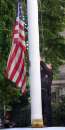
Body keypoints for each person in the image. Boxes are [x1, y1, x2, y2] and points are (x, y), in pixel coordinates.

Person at [40, 59, 53, 126]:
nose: (47, 65)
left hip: (46, 93)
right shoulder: (42, 72)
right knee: (41, 109)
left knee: (46, 109)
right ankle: (42, 123)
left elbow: (44, 67)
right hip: (40, 93)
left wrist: (41, 61)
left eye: (48, 64)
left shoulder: (50, 72)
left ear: (50, 67)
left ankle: (48, 124)